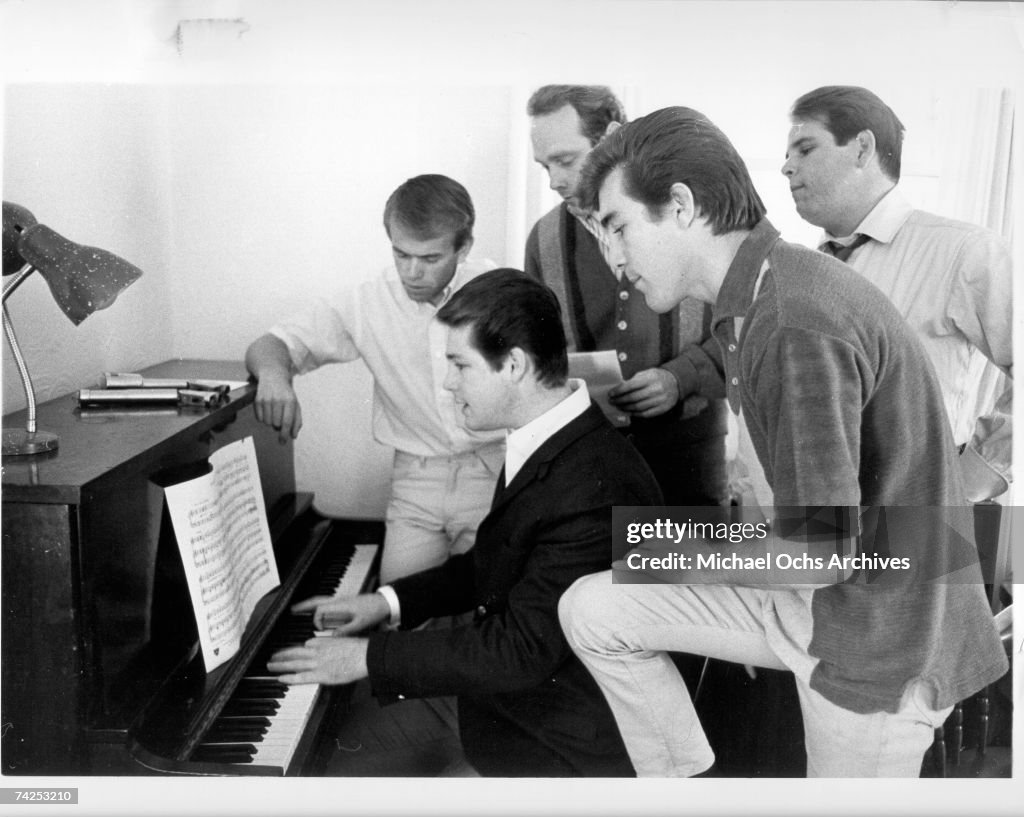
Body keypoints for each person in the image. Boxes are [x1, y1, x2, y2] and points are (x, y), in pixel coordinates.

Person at [557, 106, 1008, 777]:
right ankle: (684, 782)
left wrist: (668, 543)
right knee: (591, 607)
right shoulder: (760, 295)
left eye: (618, 228)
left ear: (680, 205)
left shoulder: (795, 318)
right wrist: (655, 545)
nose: (614, 259)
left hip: (881, 640)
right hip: (823, 598)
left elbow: (820, 550)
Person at [266, 269, 663, 776]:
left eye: (459, 365)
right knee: (341, 729)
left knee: (328, 767)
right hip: (509, 700)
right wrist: (386, 602)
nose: (448, 384)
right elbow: (494, 562)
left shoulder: (592, 483)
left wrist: (367, 658)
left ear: (514, 365)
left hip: (550, 737)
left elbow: (520, 650)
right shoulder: (550, 436)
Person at [245, 174, 504, 584]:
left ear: (464, 247)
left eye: (430, 258)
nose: (412, 272)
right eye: (401, 254)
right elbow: (272, 344)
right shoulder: (367, 300)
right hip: (417, 481)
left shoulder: (502, 289)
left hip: (496, 473)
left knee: (492, 610)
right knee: (398, 613)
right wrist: (275, 376)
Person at [782, 85, 1012, 504]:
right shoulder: (801, 271)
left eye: (804, 149)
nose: (786, 167)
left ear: (862, 149)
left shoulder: (963, 251)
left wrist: (978, 473)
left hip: (918, 521)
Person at [525, 85, 728, 506]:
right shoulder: (543, 239)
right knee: (605, 573)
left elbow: (748, 326)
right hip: (590, 458)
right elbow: (536, 352)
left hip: (689, 455)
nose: (555, 181)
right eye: (545, 166)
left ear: (613, 138)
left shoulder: (689, 217)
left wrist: (681, 377)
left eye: (565, 160)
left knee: (686, 569)